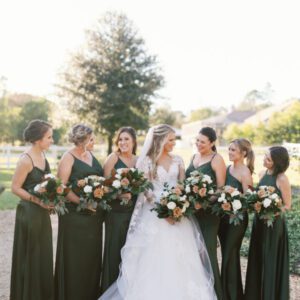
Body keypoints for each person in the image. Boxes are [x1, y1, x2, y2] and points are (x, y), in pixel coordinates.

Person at [100, 124, 216, 300]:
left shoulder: (178, 160)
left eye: (173, 139)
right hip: (154, 212)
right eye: (170, 140)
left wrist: (178, 206)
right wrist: (163, 207)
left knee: (181, 259)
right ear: (160, 140)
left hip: (178, 214)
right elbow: (145, 188)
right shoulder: (146, 161)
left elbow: (182, 186)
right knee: (153, 259)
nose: (173, 143)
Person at [54, 124, 104, 300]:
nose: (94, 141)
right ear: (83, 138)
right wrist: (82, 202)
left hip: (94, 218)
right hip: (74, 216)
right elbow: (60, 186)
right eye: (92, 137)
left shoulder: (91, 154)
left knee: (91, 259)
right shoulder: (68, 157)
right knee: (75, 259)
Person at [10, 119, 54, 300]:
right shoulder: (25, 160)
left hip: (42, 213)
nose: (52, 140)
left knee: (42, 254)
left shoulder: (43, 156)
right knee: (31, 255)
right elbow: (15, 188)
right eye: (49, 137)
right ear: (38, 139)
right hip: (29, 213)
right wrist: (37, 201)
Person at [245, 146, 291, 300]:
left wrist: (271, 211)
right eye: (265, 156)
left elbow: (287, 205)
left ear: (277, 163)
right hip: (259, 224)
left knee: (270, 260)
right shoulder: (262, 173)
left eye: (268, 159)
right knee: (257, 258)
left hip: (274, 226)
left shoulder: (282, 179)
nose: (264, 160)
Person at [185, 127, 226, 299]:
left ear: (211, 143)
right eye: (197, 140)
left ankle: (215, 293)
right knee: (191, 251)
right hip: (191, 213)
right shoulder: (194, 157)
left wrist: (204, 201)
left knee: (207, 251)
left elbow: (220, 189)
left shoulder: (217, 159)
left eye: (202, 141)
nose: (198, 144)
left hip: (208, 214)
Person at [100, 127, 138, 294]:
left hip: (134, 213)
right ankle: (110, 290)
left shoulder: (139, 160)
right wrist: (119, 195)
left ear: (134, 141)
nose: (122, 142)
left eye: (126, 139)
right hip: (115, 213)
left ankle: (128, 291)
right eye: (120, 139)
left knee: (131, 252)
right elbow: (104, 187)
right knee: (114, 250)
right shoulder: (113, 158)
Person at [218, 138, 254, 300]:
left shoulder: (245, 172)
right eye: (229, 149)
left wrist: (234, 194)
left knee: (230, 255)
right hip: (224, 219)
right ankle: (230, 293)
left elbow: (250, 200)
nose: (229, 152)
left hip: (237, 220)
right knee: (226, 255)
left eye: (233, 150)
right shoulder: (227, 168)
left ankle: (231, 296)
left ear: (243, 153)